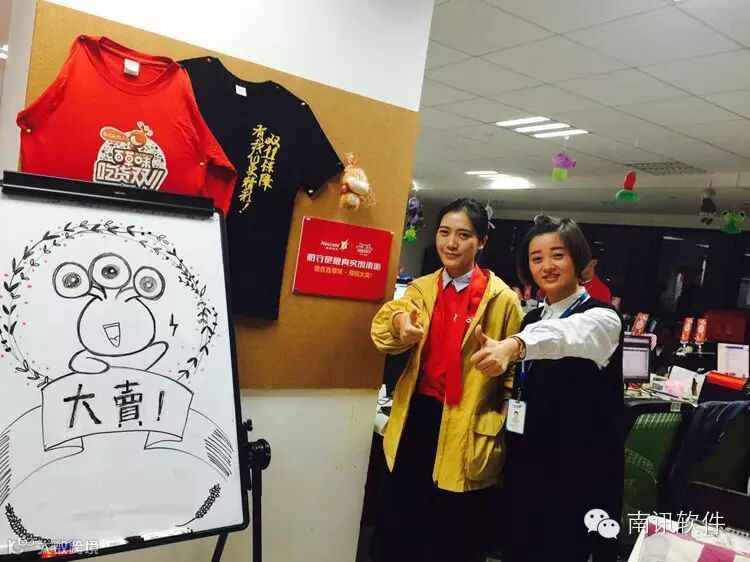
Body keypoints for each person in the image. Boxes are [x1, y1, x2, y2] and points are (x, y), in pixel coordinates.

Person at [370, 198, 523, 562]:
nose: (451, 243)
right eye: (444, 232)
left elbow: (514, 373)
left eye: (464, 235)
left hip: (467, 423)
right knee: (403, 520)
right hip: (416, 419)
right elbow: (387, 323)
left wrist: (501, 416)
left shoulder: (502, 299)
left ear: (482, 242)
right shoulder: (421, 289)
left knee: (450, 531)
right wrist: (400, 326)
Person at [470, 214, 624, 562]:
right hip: (528, 463)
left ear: (578, 259)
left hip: (579, 471)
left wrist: (514, 345)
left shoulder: (603, 318)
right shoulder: (533, 318)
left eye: (558, 255)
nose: (547, 266)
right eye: (536, 258)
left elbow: (564, 335)